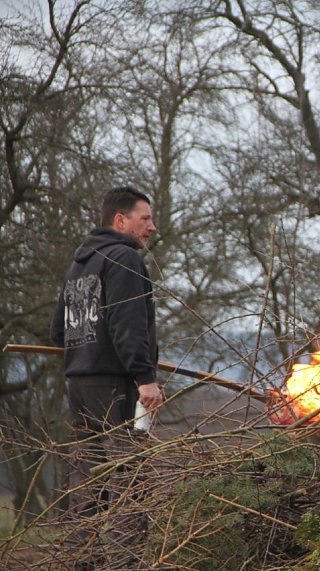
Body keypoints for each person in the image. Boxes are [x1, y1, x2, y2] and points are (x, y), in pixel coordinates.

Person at [50, 185, 164, 568]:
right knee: (128, 479)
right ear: (121, 220)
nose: (151, 227)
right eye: (144, 218)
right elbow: (127, 325)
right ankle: (126, 563)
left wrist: (85, 346)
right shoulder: (124, 259)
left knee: (88, 482)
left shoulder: (78, 265)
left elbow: (57, 333)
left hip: (79, 385)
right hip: (115, 386)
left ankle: (83, 563)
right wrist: (145, 378)